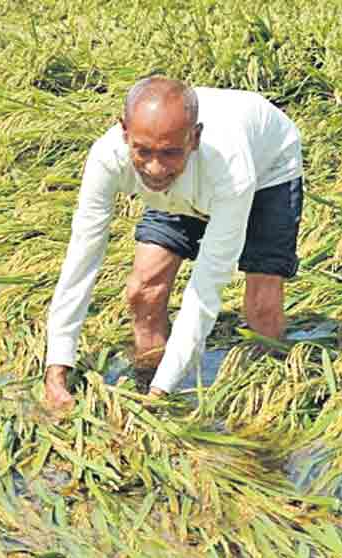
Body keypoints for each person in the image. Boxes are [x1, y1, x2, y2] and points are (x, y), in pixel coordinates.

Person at [43, 75, 304, 411]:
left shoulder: (230, 167)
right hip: (182, 188)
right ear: (125, 132)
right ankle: (146, 375)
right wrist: (56, 368)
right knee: (144, 291)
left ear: (194, 138)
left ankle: (272, 395)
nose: (154, 167)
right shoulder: (108, 159)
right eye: (143, 151)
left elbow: (205, 289)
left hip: (269, 171)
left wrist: (160, 396)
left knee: (261, 305)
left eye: (168, 152)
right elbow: (81, 259)